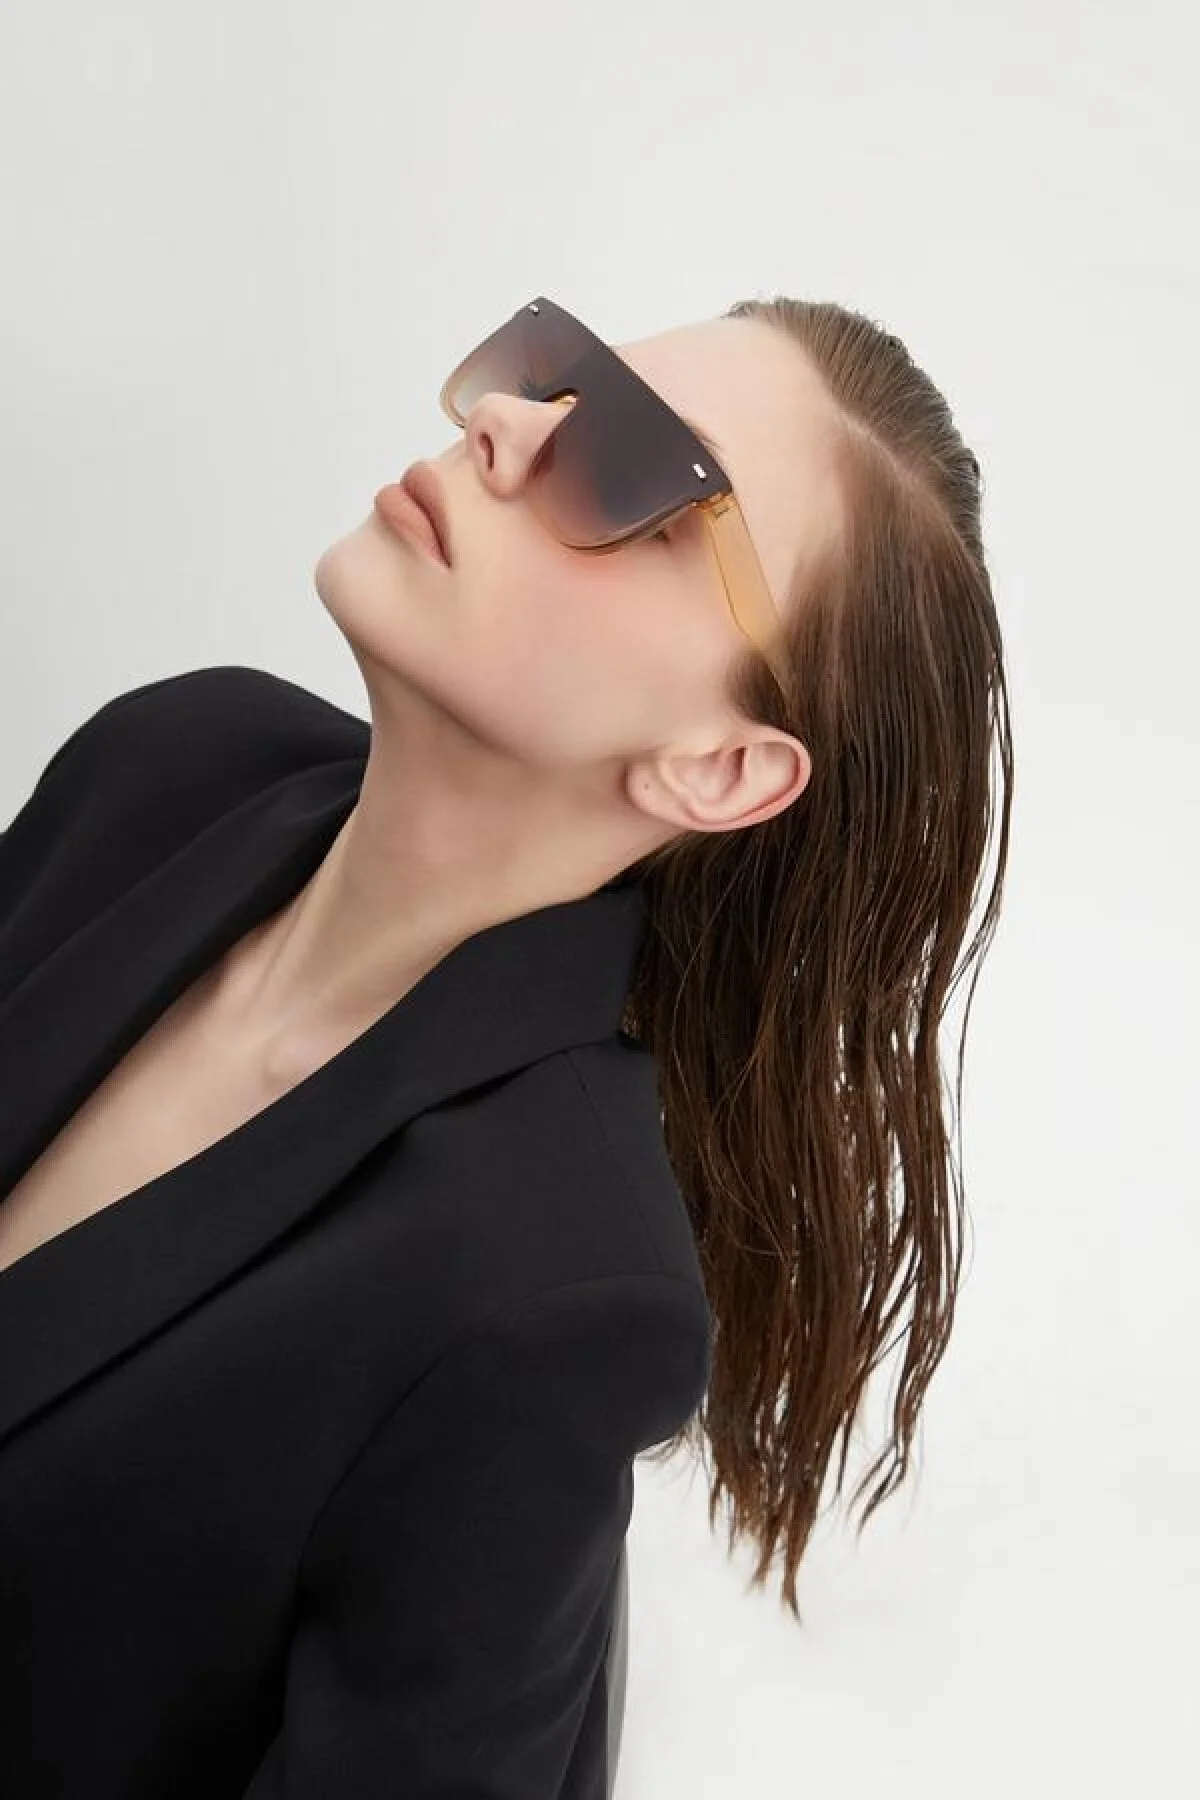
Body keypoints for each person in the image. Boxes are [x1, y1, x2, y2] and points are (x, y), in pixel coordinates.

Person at [0, 292, 1012, 1797]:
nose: (500, 425)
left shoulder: (545, 1292)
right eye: (558, 379)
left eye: (634, 472)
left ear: (721, 766)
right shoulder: (170, 767)